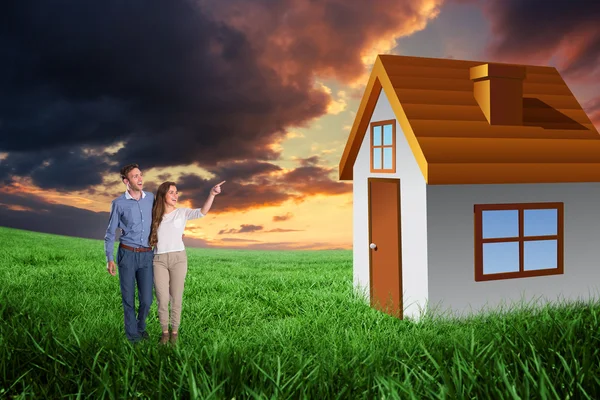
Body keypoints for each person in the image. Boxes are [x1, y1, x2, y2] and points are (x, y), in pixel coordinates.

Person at [149, 180, 225, 344]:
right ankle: (164, 332)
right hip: (159, 260)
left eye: (176, 192)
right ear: (163, 195)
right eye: (172, 192)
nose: (175, 195)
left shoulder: (182, 213)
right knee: (162, 299)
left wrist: (212, 194)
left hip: (178, 259)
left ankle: (174, 333)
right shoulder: (154, 215)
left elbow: (202, 212)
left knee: (176, 297)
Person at [104, 163, 155, 344]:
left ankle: (140, 329)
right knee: (128, 299)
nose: (140, 178)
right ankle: (133, 337)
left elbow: (162, 219)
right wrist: (109, 258)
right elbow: (110, 233)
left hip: (147, 255)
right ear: (126, 181)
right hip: (127, 254)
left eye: (140, 175)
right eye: (135, 176)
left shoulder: (151, 198)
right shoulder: (118, 203)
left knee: (147, 300)